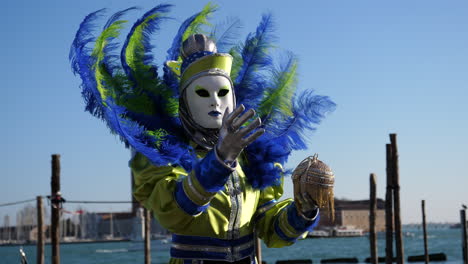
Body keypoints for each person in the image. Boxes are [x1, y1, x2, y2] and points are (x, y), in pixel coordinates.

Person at [70, 4, 335, 264]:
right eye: (202, 93)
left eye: (222, 93)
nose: (215, 103)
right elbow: (174, 211)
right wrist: (221, 158)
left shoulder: (249, 157)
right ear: (185, 101)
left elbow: (268, 228)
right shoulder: (164, 153)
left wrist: (303, 209)